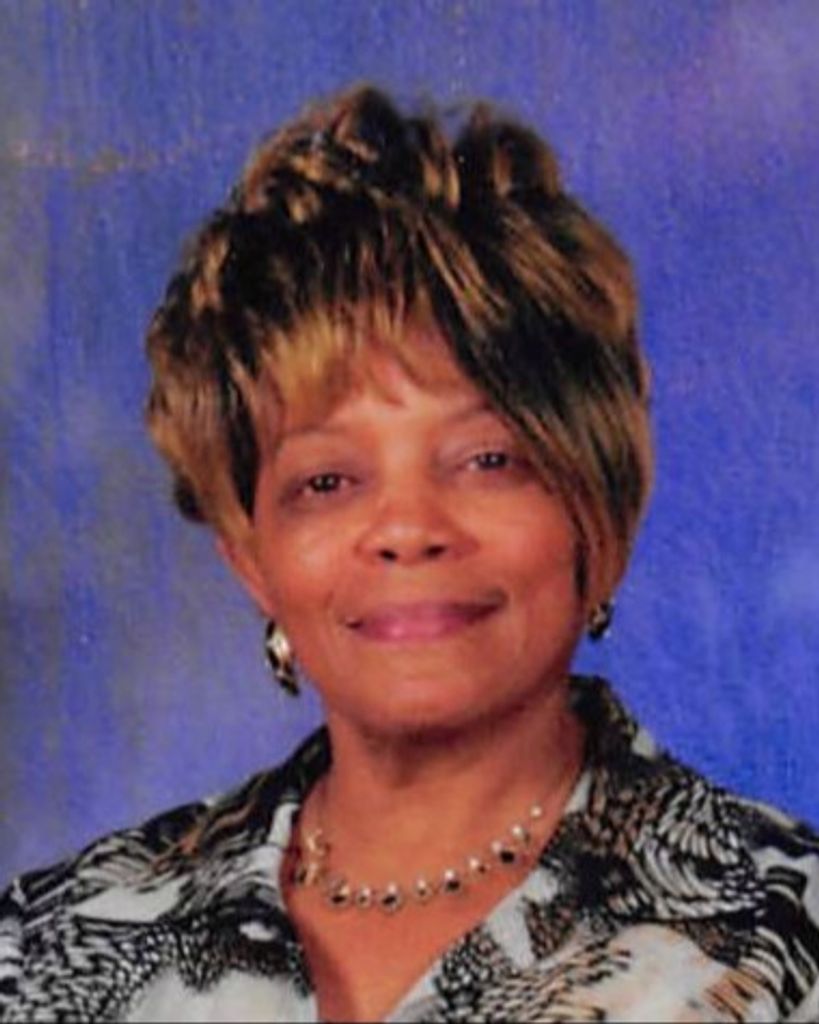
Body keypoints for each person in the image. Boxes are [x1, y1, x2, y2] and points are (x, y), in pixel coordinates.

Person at [1, 84, 817, 1024]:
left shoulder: (786, 936)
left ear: (595, 507)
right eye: (326, 480)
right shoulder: (44, 947)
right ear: (251, 558)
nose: (407, 527)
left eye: (487, 460)